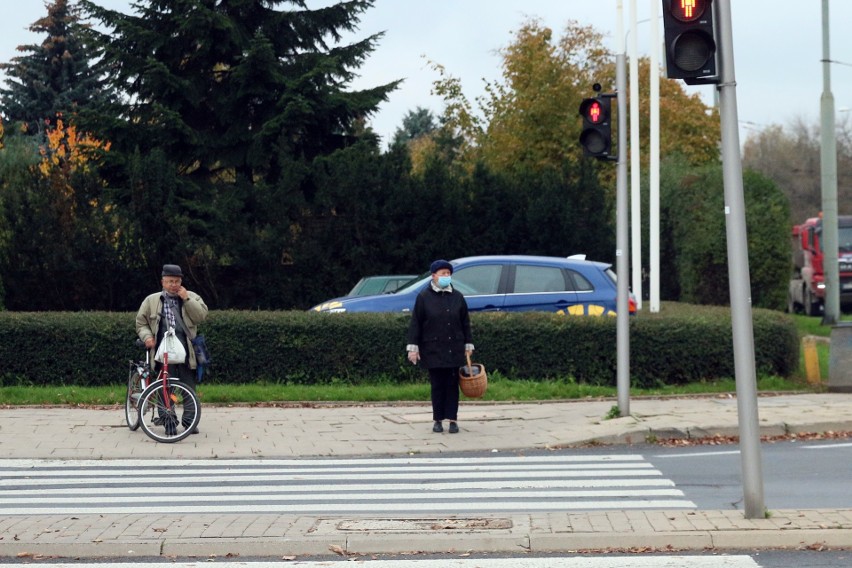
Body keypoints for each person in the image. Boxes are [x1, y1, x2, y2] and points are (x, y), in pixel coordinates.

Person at [135, 264, 209, 434]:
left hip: (186, 351)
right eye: (169, 281)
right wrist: (147, 337)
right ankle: (169, 421)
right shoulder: (151, 300)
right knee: (164, 387)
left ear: (181, 281)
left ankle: (190, 421)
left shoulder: (191, 297)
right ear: (163, 282)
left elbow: (201, 316)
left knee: (189, 387)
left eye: (176, 281)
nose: (173, 285)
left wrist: (187, 299)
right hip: (162, 351)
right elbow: (141, 323)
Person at [406, 259, 474, 434]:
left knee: (452, 385)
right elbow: (416, 324)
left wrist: (468, 344)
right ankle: (437, 420)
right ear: (434, 275)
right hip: (433, 349)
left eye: (448, 273)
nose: (446, 276)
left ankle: (453, 420)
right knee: (437, 385)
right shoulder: (423, 297)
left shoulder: (457, 296)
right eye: (443, 273)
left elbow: (465, 322)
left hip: (454, 348)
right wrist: (413, 348)